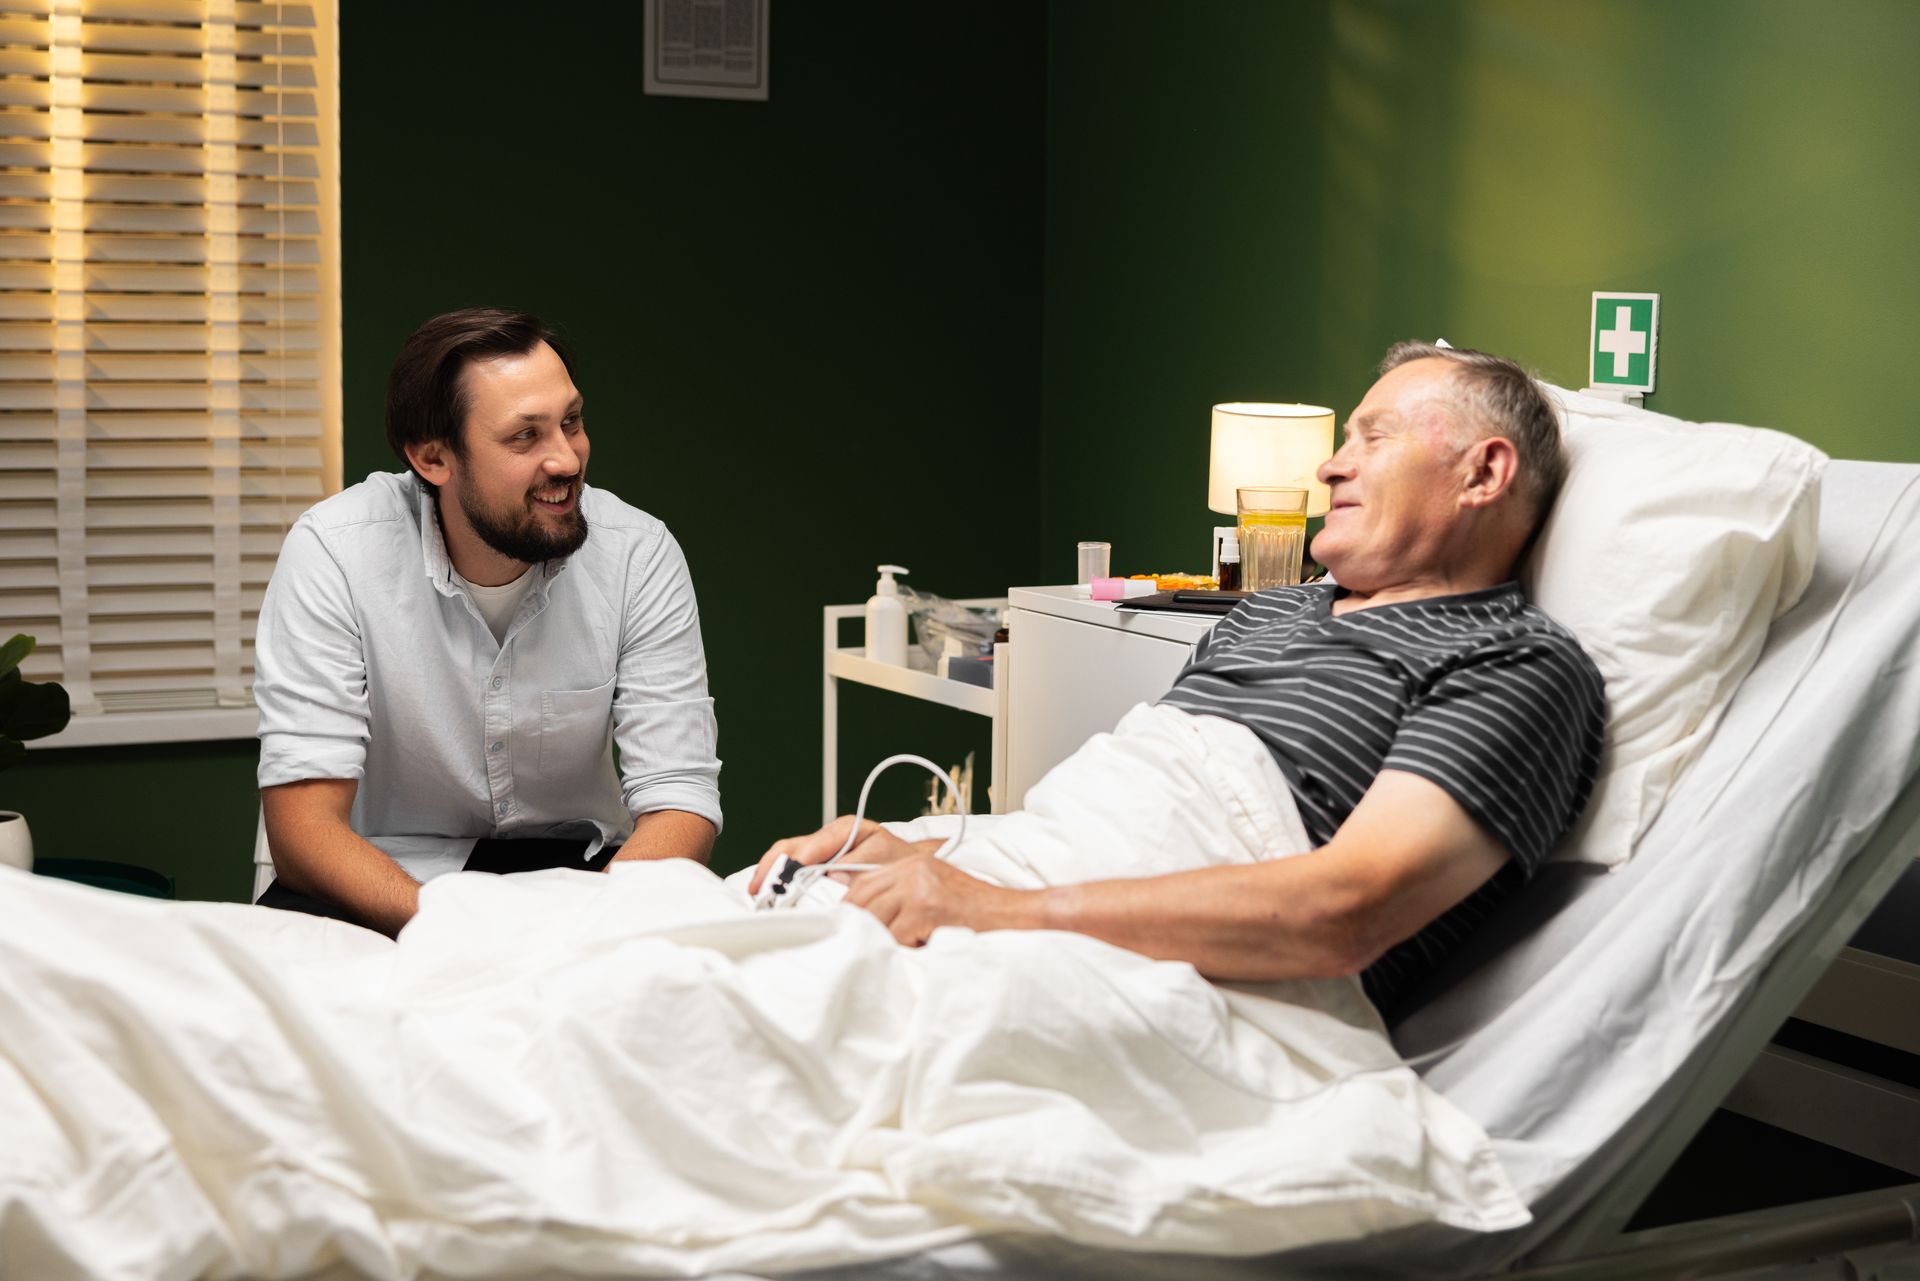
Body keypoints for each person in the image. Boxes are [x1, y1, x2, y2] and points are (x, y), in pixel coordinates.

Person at [752, 342, 1606, 1017]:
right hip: (1030, 888)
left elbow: (1344, 912)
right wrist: (934, 854)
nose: (1330, 467)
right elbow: (1117, 817)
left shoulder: (1512, 662)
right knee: (713, 930)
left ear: (1483, 474)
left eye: (1371, 437)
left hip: (1193, 981)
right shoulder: (1268, 614)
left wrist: (985, 904)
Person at [253, 308, 721, 936]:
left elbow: (680, 801)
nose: (566, 459)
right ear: (432, 458)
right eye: (525, 437)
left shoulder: (638, 553)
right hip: (385, 875)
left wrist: (584, 932)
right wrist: (464, 937)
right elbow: (305, 830)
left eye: (571, 422)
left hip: (578, 877)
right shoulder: (335, 552)